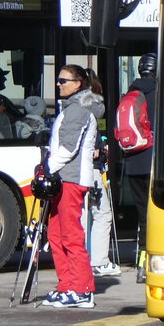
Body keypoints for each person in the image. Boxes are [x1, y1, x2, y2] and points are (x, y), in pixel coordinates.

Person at [40, 64, 100, 309]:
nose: (59, 84)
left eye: (64, 80)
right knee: (56, 235)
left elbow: (68, 148)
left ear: (78, 83)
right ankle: (67, 285)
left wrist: (47, 166)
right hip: (64, 177)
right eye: (59, 80)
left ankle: (82, 289)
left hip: (71, 179)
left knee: (71, 236)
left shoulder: (79, 110)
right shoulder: (72, 107)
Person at [122, 53, 157, 283]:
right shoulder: (159, 92)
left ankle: (141, 264)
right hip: (153, 162)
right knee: (155, 217)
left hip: (133, 162)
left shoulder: (131, 93)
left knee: (143, 215)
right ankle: (150, 264)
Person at [81, 71, 118, 278]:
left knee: (84, 214)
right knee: (102, 212)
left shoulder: (72, 106)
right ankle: (99, 261)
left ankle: (84, 259)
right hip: (91, 168)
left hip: (76, 170)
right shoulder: (92, 108)